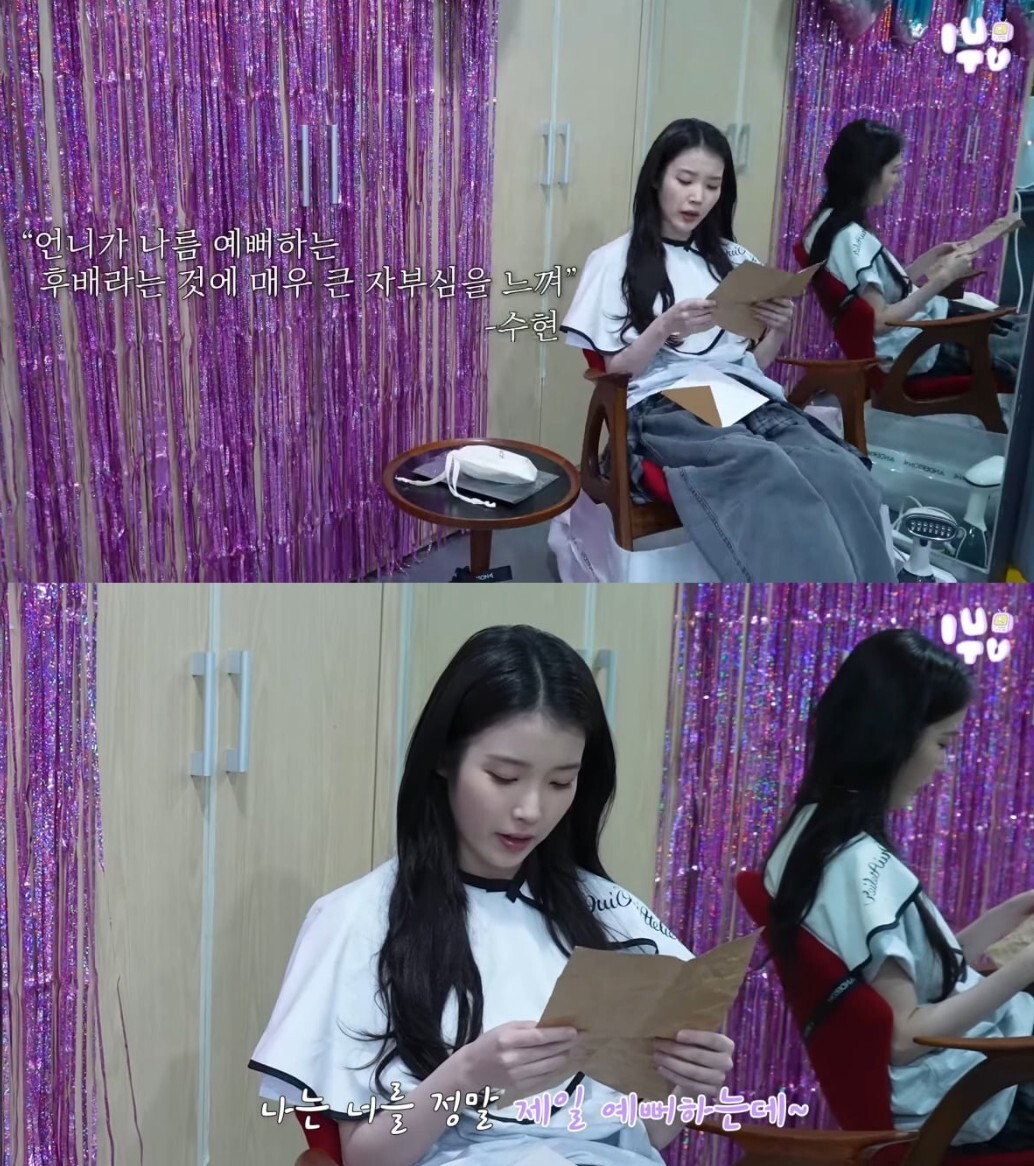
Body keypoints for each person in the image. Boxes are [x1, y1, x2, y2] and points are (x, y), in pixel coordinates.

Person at [250, 625, 735, 1166]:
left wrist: (686, 1086)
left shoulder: (609, 915)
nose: (531, 810)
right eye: (504, 777)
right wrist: (465, 1075)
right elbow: (362, 1159)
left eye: (560, 783)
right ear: (444, 758)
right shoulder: (357, 921)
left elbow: (647, 1138)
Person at [560, 118, 895, 584]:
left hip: (741, 396)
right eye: (685, 180)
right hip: (664, 404)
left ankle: (872, 598)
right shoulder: (613, 261)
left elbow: (750, 364)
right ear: (656, 178)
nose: (697, 197)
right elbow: (615, 371)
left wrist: (777, 329)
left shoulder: (733, 260)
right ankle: (805, 600)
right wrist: (664, 327)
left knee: (840, 469)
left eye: (712, 186)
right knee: (765, 468)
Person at [763, 629, 1034, 1151]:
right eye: (942, 744)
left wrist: (1019, 908)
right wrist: (1024, 968)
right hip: (973, 1092)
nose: (943, 765)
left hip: (971, 1067)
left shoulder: (810, 836)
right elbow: (907, 1037)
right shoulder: (858, 867)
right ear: (892, 739)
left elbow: (918, 972)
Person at [804, 118, 1023, 388]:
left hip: (922, 328)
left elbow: (881, 293)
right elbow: (880, 321)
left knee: (1018, 328)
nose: (897, 181)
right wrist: (942, 280)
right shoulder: (849, 239)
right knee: (1022, 348)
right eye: (894, 171)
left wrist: (929, 258)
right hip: (917, 347)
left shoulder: (825, 224)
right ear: (867, 174)